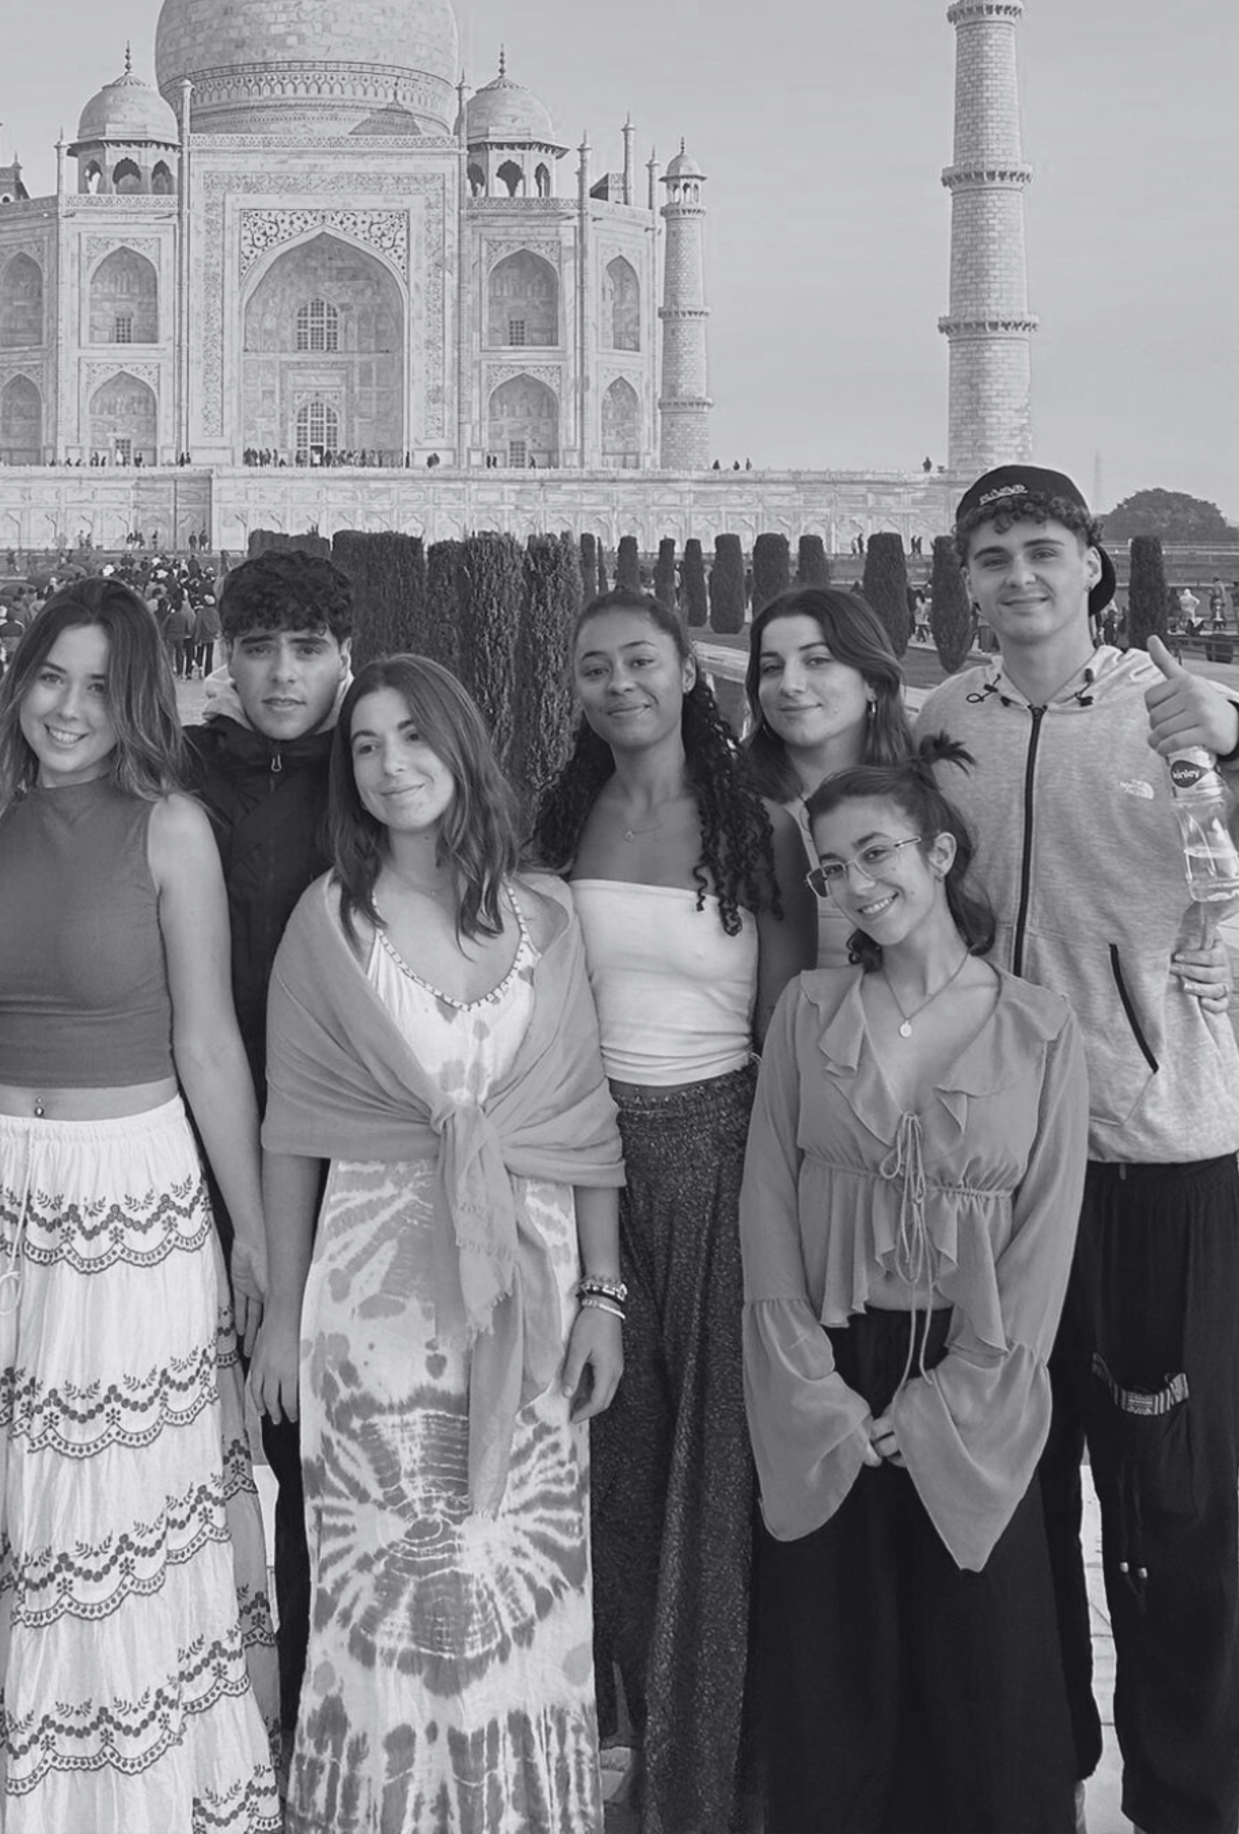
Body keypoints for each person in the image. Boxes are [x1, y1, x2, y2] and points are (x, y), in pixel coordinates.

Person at [0, 577, 279, 1830]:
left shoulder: (169, 828)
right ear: (17, 683)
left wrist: (254, 1233)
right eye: (51, 678)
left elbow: (211, 1045)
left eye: (102, 687)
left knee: (103, 1520)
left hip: (128, 1195)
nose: (70, 709)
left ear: (141, 702)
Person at [920, 465, 1239, 1834]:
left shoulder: (1162, 701)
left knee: (1170, 1504)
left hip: (1149, 1150)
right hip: (999, 1167)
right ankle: (1036, 1771)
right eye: (991, 555)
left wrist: (1228, 721)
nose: (1016, 576)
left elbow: (1228, 748)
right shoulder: (948, 716)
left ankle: (1184, 1796)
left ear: (1096, 568)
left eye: (1041, 550)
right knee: (1018, 1489)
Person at [254, 655, 627, 1831]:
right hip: (374, 1302)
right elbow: (294, 1129)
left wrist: (604, 1297)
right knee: (394, 1577)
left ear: (461, 746)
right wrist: (273, 1310)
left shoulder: (549, 917)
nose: (389, 765)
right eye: (363, 746)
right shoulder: (331, 922)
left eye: (411, 736)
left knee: (518, 1576)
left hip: (531, 1282)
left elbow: (582, 1121)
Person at [741, 745, 1087, 1833]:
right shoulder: (806, 1013)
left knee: (983, 1672)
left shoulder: (1038, 1028)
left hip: (976, 1376)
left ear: (940, 853)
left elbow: (1043, 1244)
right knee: (835, 1669)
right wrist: (815, 1392)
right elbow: (768, 1210)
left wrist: (958, 1398)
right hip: (832, 1372)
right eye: (829, 869)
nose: (854, 883)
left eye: (877, 852)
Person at [530, 589, 815, 1834]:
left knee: (717, 1480)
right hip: (586, 1163)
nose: (620, 685)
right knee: (610, 1469)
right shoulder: (561, 820)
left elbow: (788, 1022)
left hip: (719, 1149)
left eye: (640, 661)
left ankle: (722, 1769)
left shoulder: (756, 826)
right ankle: (627, 1738)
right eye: (595, 668)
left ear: (687, 674)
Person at [183, 546, 353, 1741]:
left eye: (305, 649)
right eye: (259, 648)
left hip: (349, 1158)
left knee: (322, 1448)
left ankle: (323, 1711)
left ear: (344, 656)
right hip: (194, 1147)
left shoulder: (388, 768)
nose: (282, 674)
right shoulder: (185, 774)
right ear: (226, 657)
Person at [742, 585, 919, 966]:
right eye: (771, 668)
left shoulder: (926, 797)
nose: (790, 685)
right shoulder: (728, 804)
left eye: (817, 661)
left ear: (872, 680)